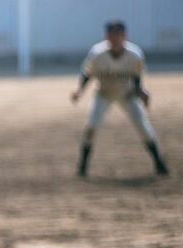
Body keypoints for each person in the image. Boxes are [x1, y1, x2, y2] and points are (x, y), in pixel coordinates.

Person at [71, 19, 169, 177]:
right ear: (106, 37)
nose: (115, 38)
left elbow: (137, 79)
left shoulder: (134, 55)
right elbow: (87, 73)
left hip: (127, 94)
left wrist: (141, 92)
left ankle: (159, 162)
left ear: (125, 36)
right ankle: (82, 167)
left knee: (142, 126)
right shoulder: (97, 53)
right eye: (112, 35)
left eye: (118, 34)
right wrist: (79, 89)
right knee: (91, 127)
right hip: (103, 93)